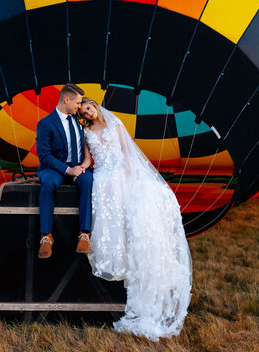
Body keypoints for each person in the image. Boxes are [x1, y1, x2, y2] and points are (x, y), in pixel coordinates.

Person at [78, 97, 192, 341]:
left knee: (136, 208)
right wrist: (81, 168)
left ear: (95, 106)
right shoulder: (86, 132)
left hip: (119, 171)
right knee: (106, 208)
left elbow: (127, 149)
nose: (88, 113)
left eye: (89, 108)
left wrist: (128, 170)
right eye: (84, 112)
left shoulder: (114, 123)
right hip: (102, 177)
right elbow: (89, 159)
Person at [36, 83, 93, 259]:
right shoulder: (45, 123)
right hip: (55, 168)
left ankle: (84, 234)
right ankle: (46, 236)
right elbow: (44, 156)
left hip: (78, 166)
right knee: (48, 184)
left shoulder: (80, 120)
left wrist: (83, 165)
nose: (79, 107)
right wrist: (68, 170)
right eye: (77, 103)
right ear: (66, 99)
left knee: (89, 181)